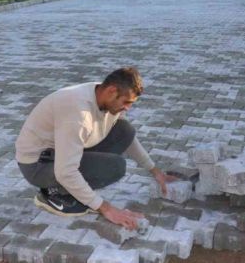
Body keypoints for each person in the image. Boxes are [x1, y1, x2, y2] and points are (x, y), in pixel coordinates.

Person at [15, 67, 177, 229]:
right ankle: (53, 194)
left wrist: (156, 172)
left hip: (60, 150)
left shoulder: (105, 96)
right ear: (112, 91)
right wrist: (105, 208)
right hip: (38, 166)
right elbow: (65, 172)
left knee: (124, 130)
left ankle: (72, 188)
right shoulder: (78, 114)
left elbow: (129, 141)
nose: (128, 108)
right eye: (126, 102)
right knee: (115, 166)